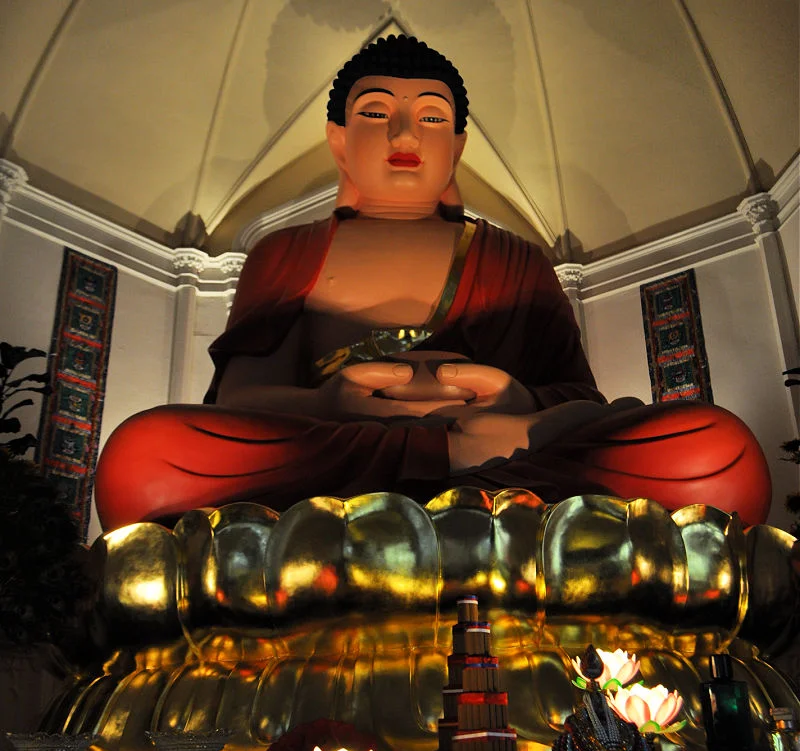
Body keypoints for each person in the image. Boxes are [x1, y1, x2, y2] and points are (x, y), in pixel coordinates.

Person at [94, 36, 771, 531]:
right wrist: (335, 400)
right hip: (341, 454)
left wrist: (514, 401)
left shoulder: (516, 257)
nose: (402, 133)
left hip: (502, 447)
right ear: (338, 139)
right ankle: (501, 519)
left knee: (719, 449)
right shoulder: (288, 251)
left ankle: (440, 500)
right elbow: (241, 400)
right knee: (143, 457)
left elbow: (577, 398)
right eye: (375, 113)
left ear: (458, 144)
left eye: (430, 117)